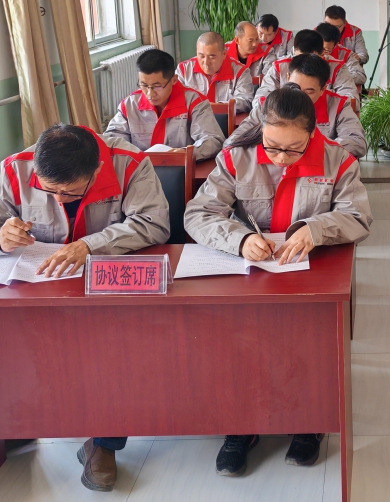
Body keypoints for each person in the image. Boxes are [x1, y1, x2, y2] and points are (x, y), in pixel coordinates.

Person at [0, 124, 170, 492]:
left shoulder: (129, 164)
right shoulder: (16, 168)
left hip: (105, 288)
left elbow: (154, 223)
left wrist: (91, 245)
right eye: (48, 190)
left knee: (116, 348)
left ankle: (104, 443)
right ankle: (17, 421)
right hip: (41, 287)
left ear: (97, 170)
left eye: (69, 192)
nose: (58, 199)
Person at [184, 86, 372, 476]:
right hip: (250, 267)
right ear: (261, 129)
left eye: (293, 149)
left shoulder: (338, 160)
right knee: (236, 343)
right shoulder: (236, 157)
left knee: (308, 340)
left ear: (312, 134)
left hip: (310, 268)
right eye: (272, 147)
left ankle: (309, 421)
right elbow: (198, 214)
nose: (281, 158)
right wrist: (239, 239)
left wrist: (315, 229)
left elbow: (358, 217)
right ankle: (241, 425)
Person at [233, 55, 367, 158]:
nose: (300, 96)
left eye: (309, 92)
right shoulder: (270, 103)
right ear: (287, 78)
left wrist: (306, 150)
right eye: (294, 87)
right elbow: (236, 139)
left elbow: (357, 142)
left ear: (323, 88)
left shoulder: (339, 105)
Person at [106, 49, 223, 161]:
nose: (150, 93)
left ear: (174, 80)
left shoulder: (194, 102)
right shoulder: (129, 105)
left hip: (181, 170)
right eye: (144, 85)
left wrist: (186, 153)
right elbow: (111, 140)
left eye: (157, 86)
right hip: (139, 171)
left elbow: (213, 140)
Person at [256, 29, 359, 102]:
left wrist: (319, 95)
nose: (305, 63)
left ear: (323, 53)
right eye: (299, 58)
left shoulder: (337, 68)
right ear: (293, 51)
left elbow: (351, 99)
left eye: (312, 58)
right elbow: (261, 99)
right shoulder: (280, 67)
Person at [176, 31, 254, 112]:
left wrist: (214, 108)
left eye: (212, 57)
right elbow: (175, 99)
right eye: (201, 56)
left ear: (224, 54)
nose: (206, 62)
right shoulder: (183, 70)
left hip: (225, 119)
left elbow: (245, 101)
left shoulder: (240, 71)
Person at [316, 21, 367, 88]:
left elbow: (360, 76)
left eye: (328, 49)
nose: (323, 52)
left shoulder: (346, 54)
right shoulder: (308, 51)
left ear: (336, 44)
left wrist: (337, 78)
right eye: (321, 48)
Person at [226, 21, 273, 86]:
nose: (255, 44)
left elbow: (270, 80)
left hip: (258, 91)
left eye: (257, 39)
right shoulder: (223, 52)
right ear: (237, 40)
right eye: (250, 41)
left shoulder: (267, 51)